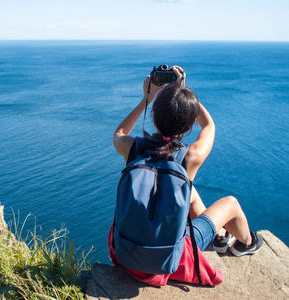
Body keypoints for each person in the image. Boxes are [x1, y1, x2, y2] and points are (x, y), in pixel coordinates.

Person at [110, 65, 262, 285]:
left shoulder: (132, 148)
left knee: (185, 190)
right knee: (231, 203)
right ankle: (246, 244)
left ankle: (219, 237)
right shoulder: (190, 157)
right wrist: (183, 90)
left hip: (127, 254)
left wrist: (147, 98)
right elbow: (208, 125)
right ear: (188, 124)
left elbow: (118, 133)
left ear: (154, 116)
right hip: (169, 259)